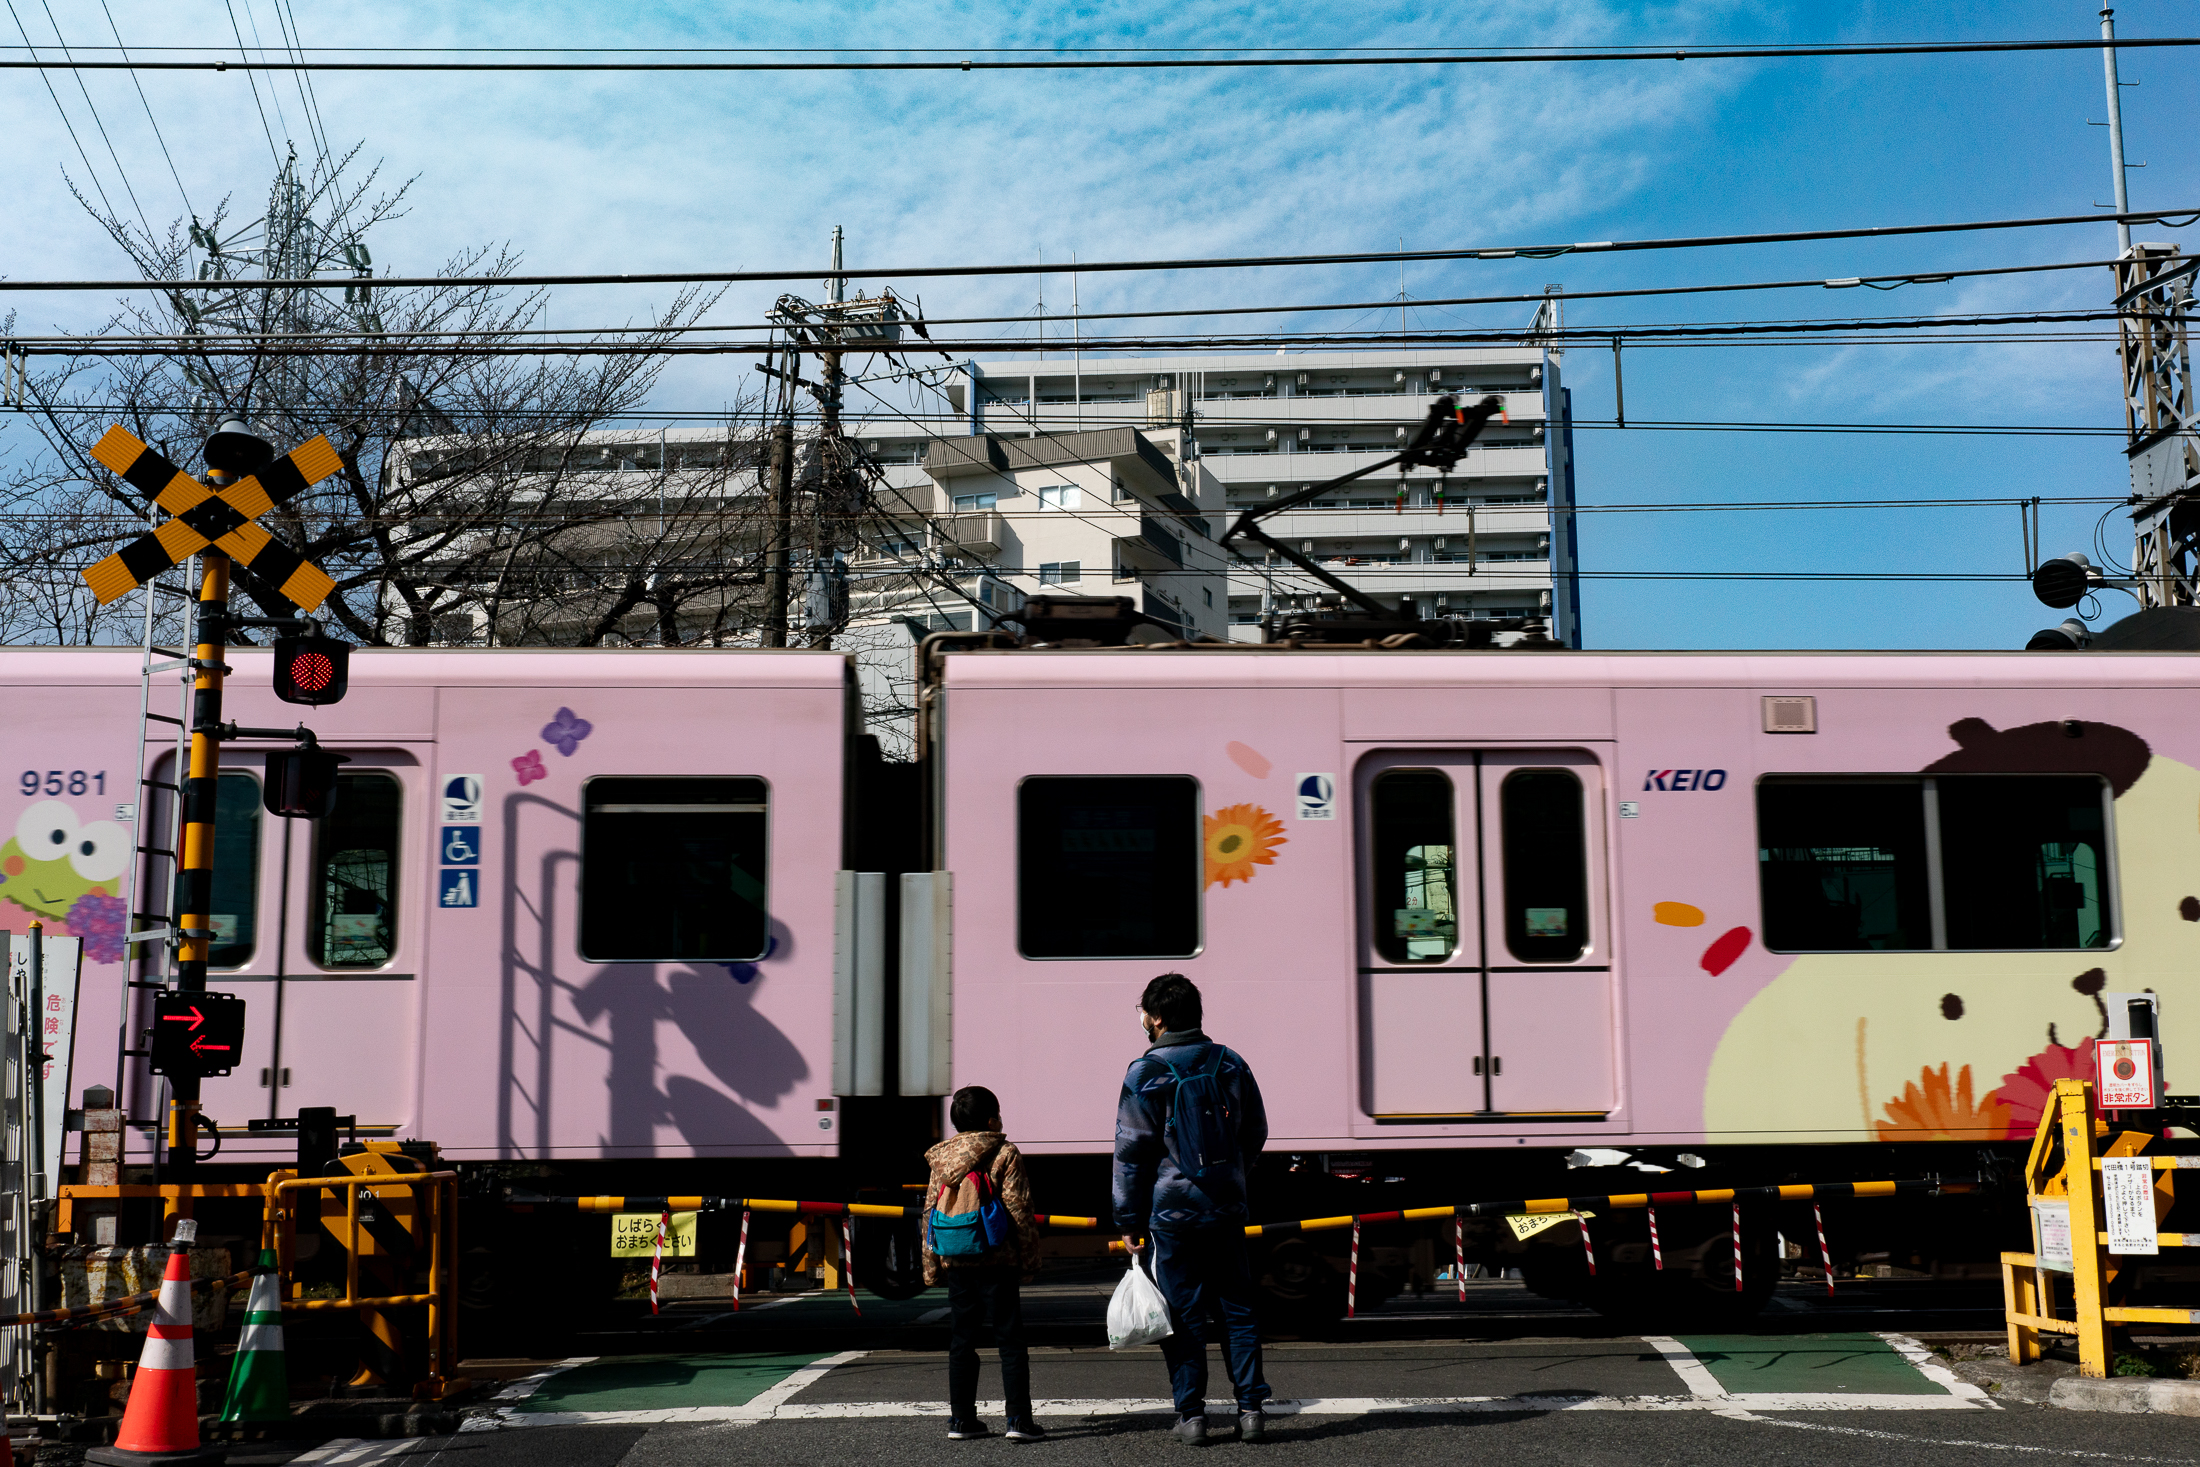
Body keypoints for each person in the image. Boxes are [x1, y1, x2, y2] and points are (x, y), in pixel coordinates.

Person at [1113, 973, 1272, 1446]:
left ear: (1157, 1018)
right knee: (1237, 1310)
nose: (1141, 1019)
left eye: (1143, 1011)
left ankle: (1193, 1416)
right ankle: (1250, 1411)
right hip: (1225, 1208)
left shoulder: (1143, 1073)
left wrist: (1128, 1219)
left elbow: (1131, 1153)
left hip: (1171, 1215)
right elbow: (1256, 1130)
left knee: (1183, 1313)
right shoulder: (1231, 1063)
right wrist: (1232, 1175)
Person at [924, 1084, 1044, 1443]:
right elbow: (1019, 1210)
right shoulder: (1004, 1152)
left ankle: (962, 1420)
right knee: (1010, 1340)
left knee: (962, 1340)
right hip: (999, 1261)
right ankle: (1019, 1421)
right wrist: (1028, 1261)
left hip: (958, 1259)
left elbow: (931, 1211)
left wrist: (931, 1265)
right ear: (992, 1119)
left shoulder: (942, 1158)